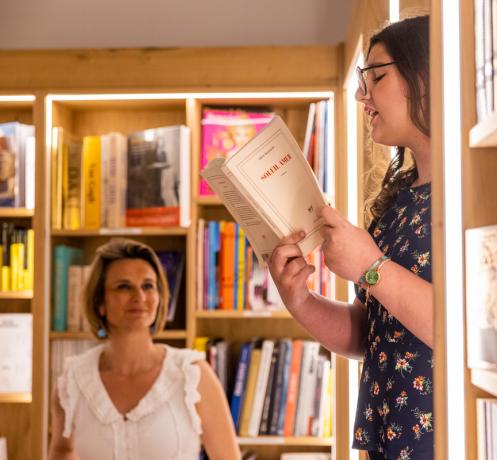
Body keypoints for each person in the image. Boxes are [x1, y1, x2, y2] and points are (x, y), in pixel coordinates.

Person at [269, 15, 433, 460]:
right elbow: (369, 335)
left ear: (426, 75)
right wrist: (299, 299)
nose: (362, 95)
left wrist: (371, 267)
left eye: (377, 76)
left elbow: (464, 329)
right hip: (389, 442)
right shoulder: (398, 202)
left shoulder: (467, 196)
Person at [49, 238, 240, 460]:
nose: (139, 297)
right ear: (100, 302)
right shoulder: (73, 382)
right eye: (124, 286)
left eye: (148, 286)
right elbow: (62, 452)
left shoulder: (192, 375)